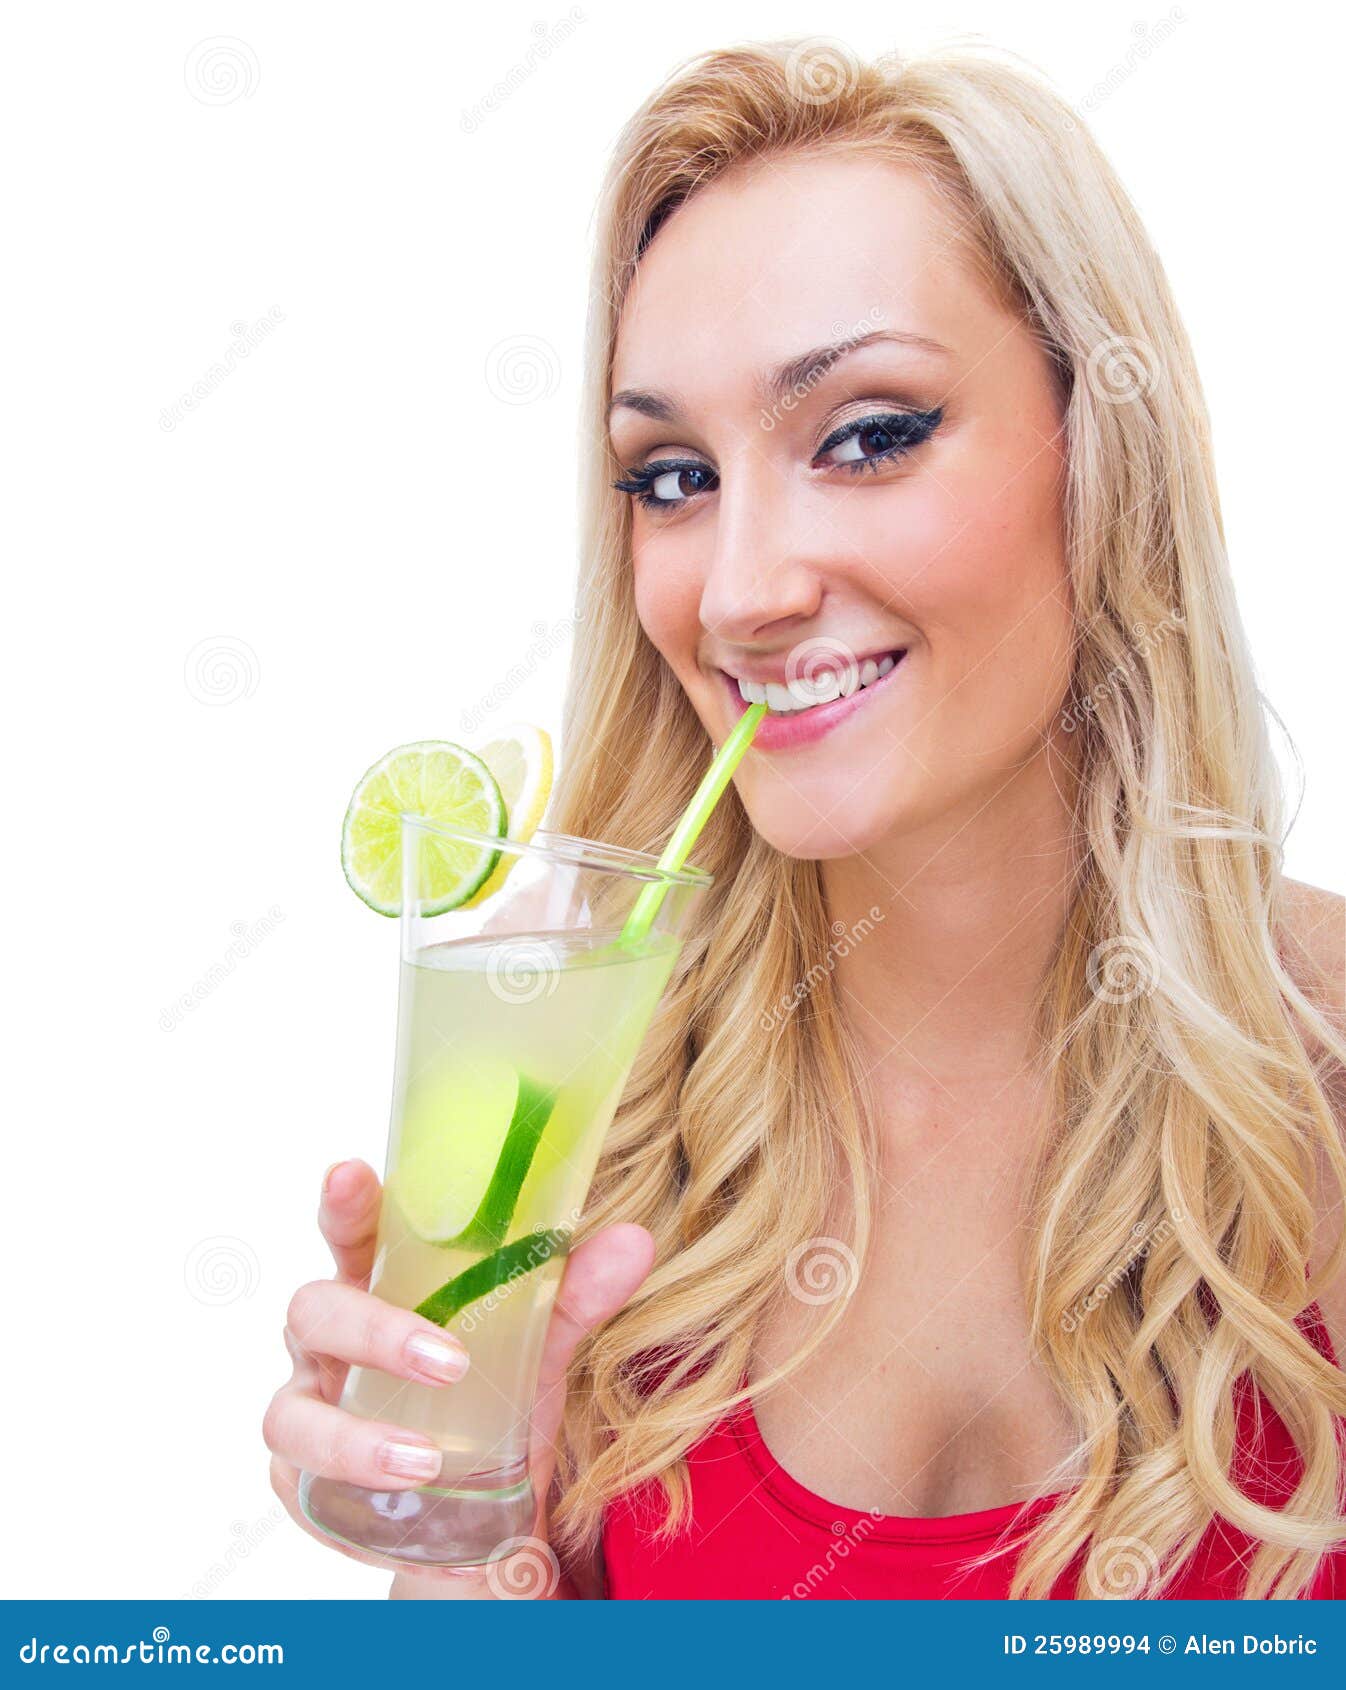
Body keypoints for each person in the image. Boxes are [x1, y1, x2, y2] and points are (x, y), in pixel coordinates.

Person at [264, 37, 1346, 1599]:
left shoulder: (1321, 1059)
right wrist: (468, 1535)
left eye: (867, 433)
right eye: (672, 474)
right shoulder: (585, 1094)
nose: (741, 589)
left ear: (1100, 452)